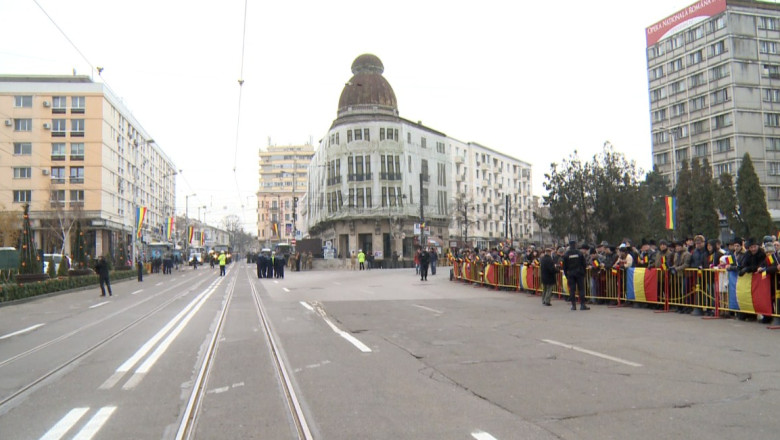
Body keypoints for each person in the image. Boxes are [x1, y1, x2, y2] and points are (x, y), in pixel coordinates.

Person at [563, 241, 589, 310]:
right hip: (579, 273)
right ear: (575, 245)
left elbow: (564, 266)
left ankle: (573, 305)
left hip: (571, 274)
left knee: (572, 290)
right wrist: (584, 272)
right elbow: (584, 263)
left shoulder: (566, 254)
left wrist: (566, 275)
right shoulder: (579, 253)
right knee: (581, 289)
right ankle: (582, 305)